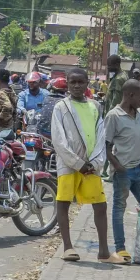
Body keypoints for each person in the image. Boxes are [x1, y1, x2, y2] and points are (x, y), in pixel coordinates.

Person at [49, 68, 111, 262]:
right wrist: (77, 163)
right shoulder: (61, 107)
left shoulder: (95, 107)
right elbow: (58, 140)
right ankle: (67, 247)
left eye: (80, 82)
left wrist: (94, 162)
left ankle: (103, 250)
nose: (76, 86)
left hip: (91, 165)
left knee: (100, 205)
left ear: (87, 84)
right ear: (67, 83)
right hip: (69, 163)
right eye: (73, 82)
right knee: (64, 202)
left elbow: (101, 136)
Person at [105, 78, 140, 263]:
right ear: (130, 95)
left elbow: (137, 140)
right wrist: (117, 166)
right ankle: (120, 248)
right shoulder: (114, 116)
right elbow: (105, 146)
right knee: (119, 208)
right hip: (123, 171)